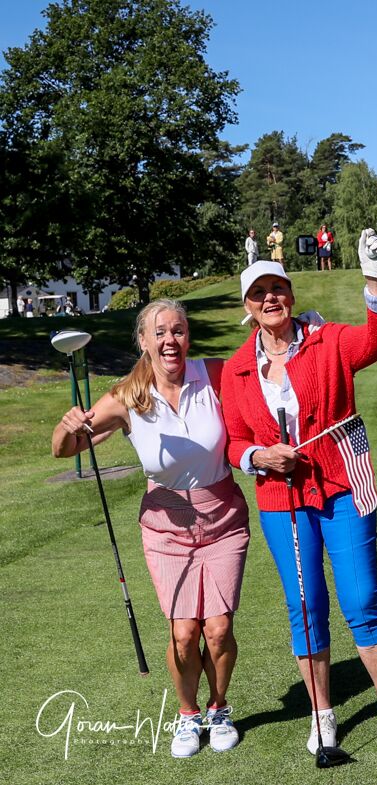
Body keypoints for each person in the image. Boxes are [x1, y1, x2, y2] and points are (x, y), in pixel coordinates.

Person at [220, 232, 377, 762]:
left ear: (289, 292)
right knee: (305, 607)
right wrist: (259, 458)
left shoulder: (327, 340)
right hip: (281, 500)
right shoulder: (236, 370)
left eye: (277, 288)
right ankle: (322, 715)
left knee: (362, 601)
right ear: (248, 305)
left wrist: (372, 276)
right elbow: (236, 439)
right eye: (259, 292)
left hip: (340, 487)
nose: (270, 299)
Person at [50, 299, 250, 758]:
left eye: (177, 331)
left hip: (223, 516)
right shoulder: (126, 395)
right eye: (159, 332)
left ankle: (219, 708)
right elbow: (66, 448)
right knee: (184, 632)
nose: (169, 340)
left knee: (217, 628)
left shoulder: (214, 374)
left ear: (188, 337)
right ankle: (187, 715)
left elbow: (261, 366)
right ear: (143, 341)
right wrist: (67, 427)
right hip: (165, 525)